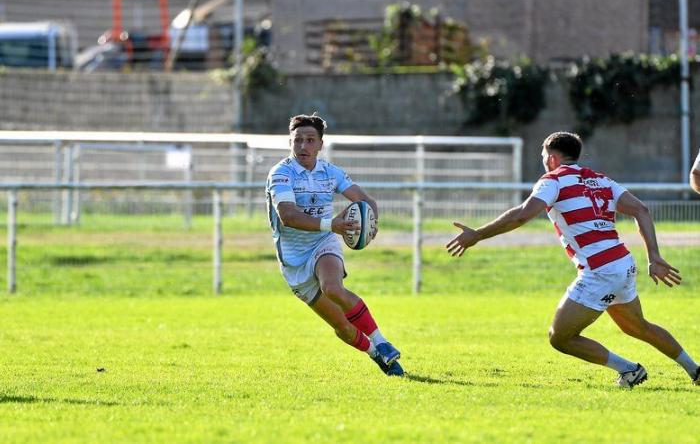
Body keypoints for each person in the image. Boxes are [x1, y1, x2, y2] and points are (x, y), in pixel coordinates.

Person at [446, 131, 699, 387]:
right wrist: (653, 256)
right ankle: (695, 370)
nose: (543, 162)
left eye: (544, 157)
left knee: (560, 337)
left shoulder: (552, 180)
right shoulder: (601, 180)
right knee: (638, 327)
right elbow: (641, 210)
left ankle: (629, 370)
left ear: (553, 158)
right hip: (622, 263)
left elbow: (522, 215)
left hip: (600, 271)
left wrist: (477, 234)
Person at [265, 113, 404, 376]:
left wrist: (370, 223)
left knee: (333, 288)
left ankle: (382, 342)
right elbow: (288, 216)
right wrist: (333, 224)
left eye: (310, 140)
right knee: (343, 327)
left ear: (320, 144)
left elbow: (366, 201)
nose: (303, 146)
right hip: (293, 259)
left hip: (322, 243)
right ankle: (376, 355)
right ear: (290, 142)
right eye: (297, 140)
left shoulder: (330, 172)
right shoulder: (281, 174)